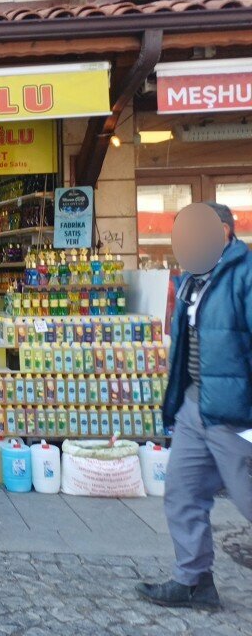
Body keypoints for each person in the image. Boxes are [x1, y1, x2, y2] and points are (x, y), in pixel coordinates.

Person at [137, 202, 252, 611]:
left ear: (222, 232)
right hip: (193, 404)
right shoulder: (190, 280)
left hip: (236, 412)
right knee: (182, 492)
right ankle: (194, 581)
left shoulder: (245, 275)